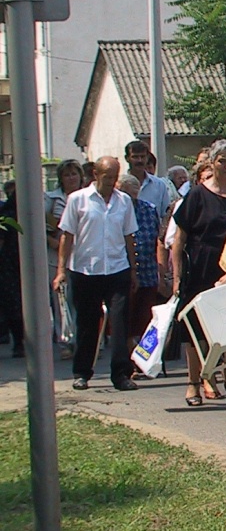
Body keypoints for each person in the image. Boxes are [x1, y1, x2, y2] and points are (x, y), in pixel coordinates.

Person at [53, 156, 140, 392]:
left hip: (116, 269)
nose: (112, 182)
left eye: (115, 177)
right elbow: (67, 236)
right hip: (85, 270)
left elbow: (129, 237)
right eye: (107, 177)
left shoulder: (123, 202)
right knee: (88, 323)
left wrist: (133, 270)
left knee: (120, 323)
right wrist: (61, 270)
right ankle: (82, 372)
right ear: (95, 174)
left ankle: (121, 374)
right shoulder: (77, 200)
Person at [171, 139, 226, 408]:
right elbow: (179, 239)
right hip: (199, 268)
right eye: (222, 161)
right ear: (211, 163)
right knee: (196, 333)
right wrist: (177, 277)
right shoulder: (196, 195)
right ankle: (193, 383)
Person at [116, 174, 163, 368]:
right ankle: (129, 358)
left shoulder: (148, 209)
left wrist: (162, 270)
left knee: (146, 319)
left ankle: (145, 359)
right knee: (125, 318)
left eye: (131, 193)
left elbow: (157, 239)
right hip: (123, 271)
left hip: (149, 270)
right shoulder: (116, 209)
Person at [45, 159, 83, 358]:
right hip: (56, 256)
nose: (71, 178)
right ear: (61, 178)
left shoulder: (87, 197)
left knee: (83, 300)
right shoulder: (51, 199)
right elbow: (38, 223)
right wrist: (50, 240)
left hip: (82, 256)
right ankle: (66, 342)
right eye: (67, 175)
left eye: (74, 174)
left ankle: (88, 340)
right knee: (62, 301)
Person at [0, 181, 22, 357]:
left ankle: (19, 342)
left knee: (14, 303)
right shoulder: (8, 215)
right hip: (11, 263)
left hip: (11, 263)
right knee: (14, 303)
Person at [124, 139, 171, 220]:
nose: (140, 160)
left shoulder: (159, 185)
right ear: (127, 158)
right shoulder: (120, 185)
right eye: (135, 157)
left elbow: (166, 216)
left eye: (142, 156)